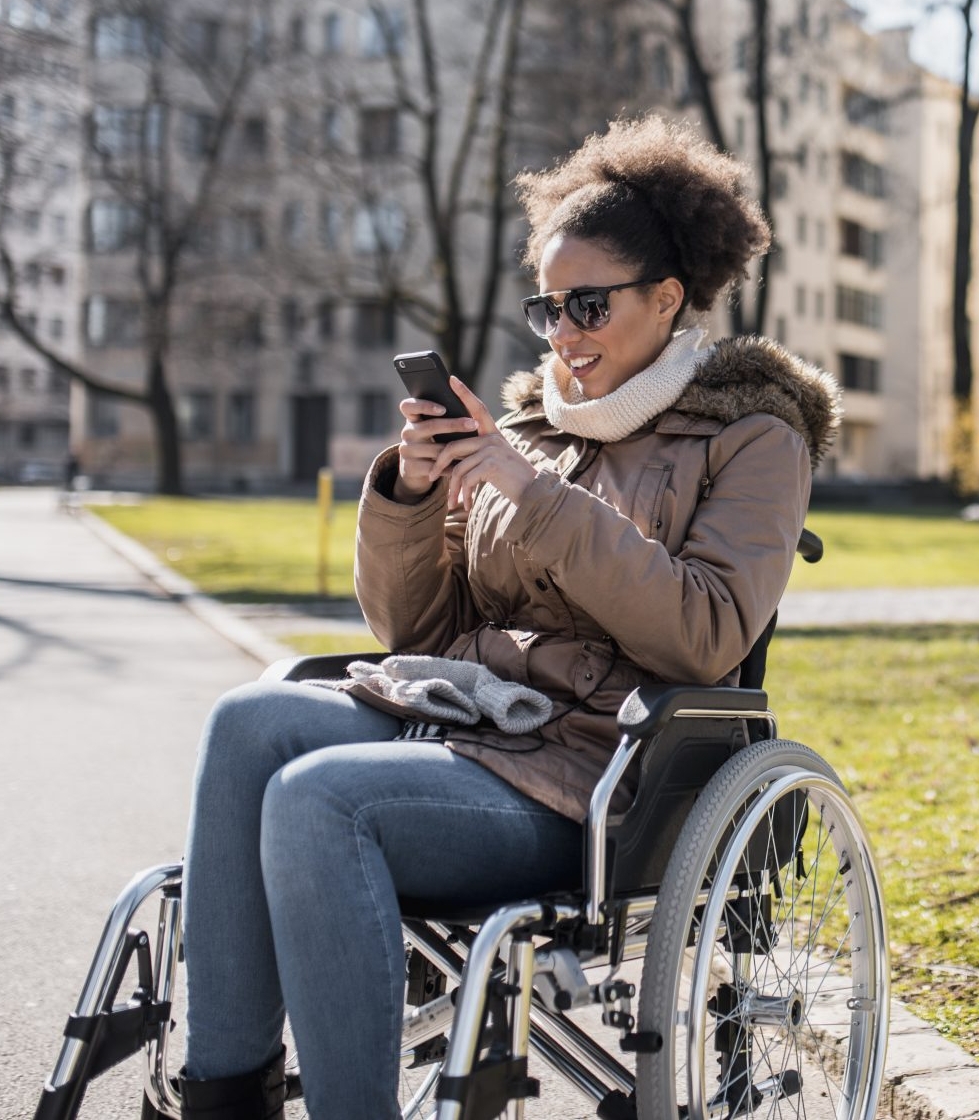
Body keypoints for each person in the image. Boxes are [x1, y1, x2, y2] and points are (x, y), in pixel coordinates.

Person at [176, 114, 841, 1120]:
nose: (563, 334)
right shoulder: (530, 429)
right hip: (470, 717)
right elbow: (415, 634)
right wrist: (408, 490)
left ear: (667, 299)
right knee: (247, 722)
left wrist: (534, 499)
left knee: (320, 801)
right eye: (547, 308)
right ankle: (225, 1095)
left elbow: (706, 636)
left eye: (588, 304)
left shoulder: (752, 438)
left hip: (599, 772)